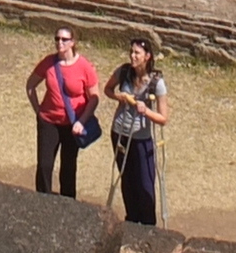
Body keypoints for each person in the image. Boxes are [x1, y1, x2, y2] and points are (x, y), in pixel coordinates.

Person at [25, 25, 101, 198]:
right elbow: (30, 85)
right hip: (49, 121)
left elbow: (94, 97)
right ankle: (42, 200)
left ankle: (67, 205)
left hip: (72, 125)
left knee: (68, 168)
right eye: (57, 39)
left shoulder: (84, 66)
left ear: (73, 42)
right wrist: (38, 110)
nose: (60, 43)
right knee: (45, 165)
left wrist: (82, 121)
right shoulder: (48, 63)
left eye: (64, 39)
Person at [104, 37, 170, 226]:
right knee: (127, 179)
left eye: (137, 53)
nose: (132, 56)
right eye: (131, 52)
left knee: (145, 184)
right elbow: (107, 89)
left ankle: (148, 225)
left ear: (147, 56)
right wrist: (118, 97)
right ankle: (131, 220)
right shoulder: (124, 72)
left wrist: (146, 111)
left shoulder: (156, 82)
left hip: (141, 138)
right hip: (119, 132)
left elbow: (163, 119)